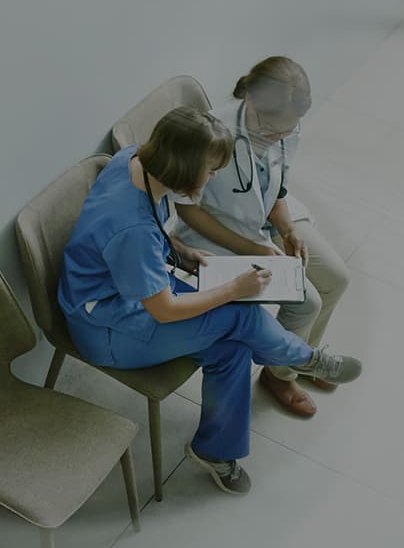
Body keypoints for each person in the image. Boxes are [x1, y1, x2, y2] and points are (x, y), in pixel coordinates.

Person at [58, 106, 344, 495]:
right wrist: (233, 290)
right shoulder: (133, 231)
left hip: (126, 295)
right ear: (183, 168)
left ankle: (214, 450)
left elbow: (151, 232)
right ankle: (300, 356)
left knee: (233, 349)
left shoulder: (134, 162)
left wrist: (179, 251)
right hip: (107, 329)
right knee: (240, 315)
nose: (212, 179)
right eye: (209, 171)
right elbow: (164, 308)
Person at [172, 56, 360, 419]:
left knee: (337, 279)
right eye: (272, 131)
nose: (279, 139)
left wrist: (288, 230)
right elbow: (185, 208)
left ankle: (305, 359)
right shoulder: (213, 131)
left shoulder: (289, 127)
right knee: (306, 300)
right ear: (252, 102)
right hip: (215, 233)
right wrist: (252, 247)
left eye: (286, 133)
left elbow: (277, 190)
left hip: (265, 219)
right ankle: (280, 375)